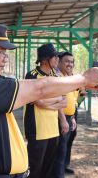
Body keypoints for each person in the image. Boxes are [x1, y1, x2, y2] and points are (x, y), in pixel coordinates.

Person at [0, 22, 98, 178]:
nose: (6, 58)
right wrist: (84, 78)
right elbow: (40, 88)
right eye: (2, 52)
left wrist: (81, 84)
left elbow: (41, 90)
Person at [24, 44, 68, 178]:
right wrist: (55, 100)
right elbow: (37, 102)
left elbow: (64, 101)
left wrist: (63, 120)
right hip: (38, 129)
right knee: (35, 167)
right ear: (44, 59)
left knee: (48, 167)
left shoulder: (56, 75)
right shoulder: (32, 75)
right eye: (54, 57)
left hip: (53, 128)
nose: (57, 60)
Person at [52, 51, 78, 177]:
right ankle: (58, 174)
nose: (70, 64)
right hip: (60, 118)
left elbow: (73, 100)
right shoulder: (57, 78)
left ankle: (63, 167)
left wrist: (72, 118)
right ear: (59, 62)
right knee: (60, 149)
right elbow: (58, 101)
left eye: (72, 62)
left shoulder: (70, 78)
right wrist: (63, 120)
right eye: (67, 61)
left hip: (69, 117)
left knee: (67, 145)